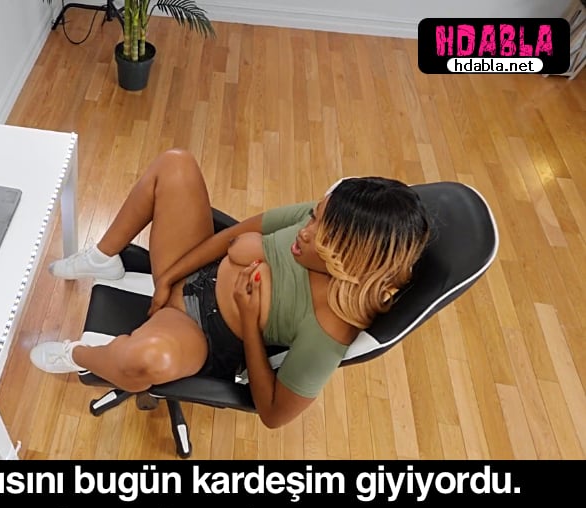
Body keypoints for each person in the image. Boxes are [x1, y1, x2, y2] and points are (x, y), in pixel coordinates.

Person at [29, 149, 431, 429]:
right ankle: (104, 255)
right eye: (312, 216)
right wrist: (168, 278)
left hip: (201, 331)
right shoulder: (323, 222)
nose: (305, 230)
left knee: (146, 361)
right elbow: (233, 233)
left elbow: (273, 414)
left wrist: (251, 322)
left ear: (349, 257)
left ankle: (78, 354)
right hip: (196, 268)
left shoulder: (328, 331)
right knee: (176, 164)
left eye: (319, 232)